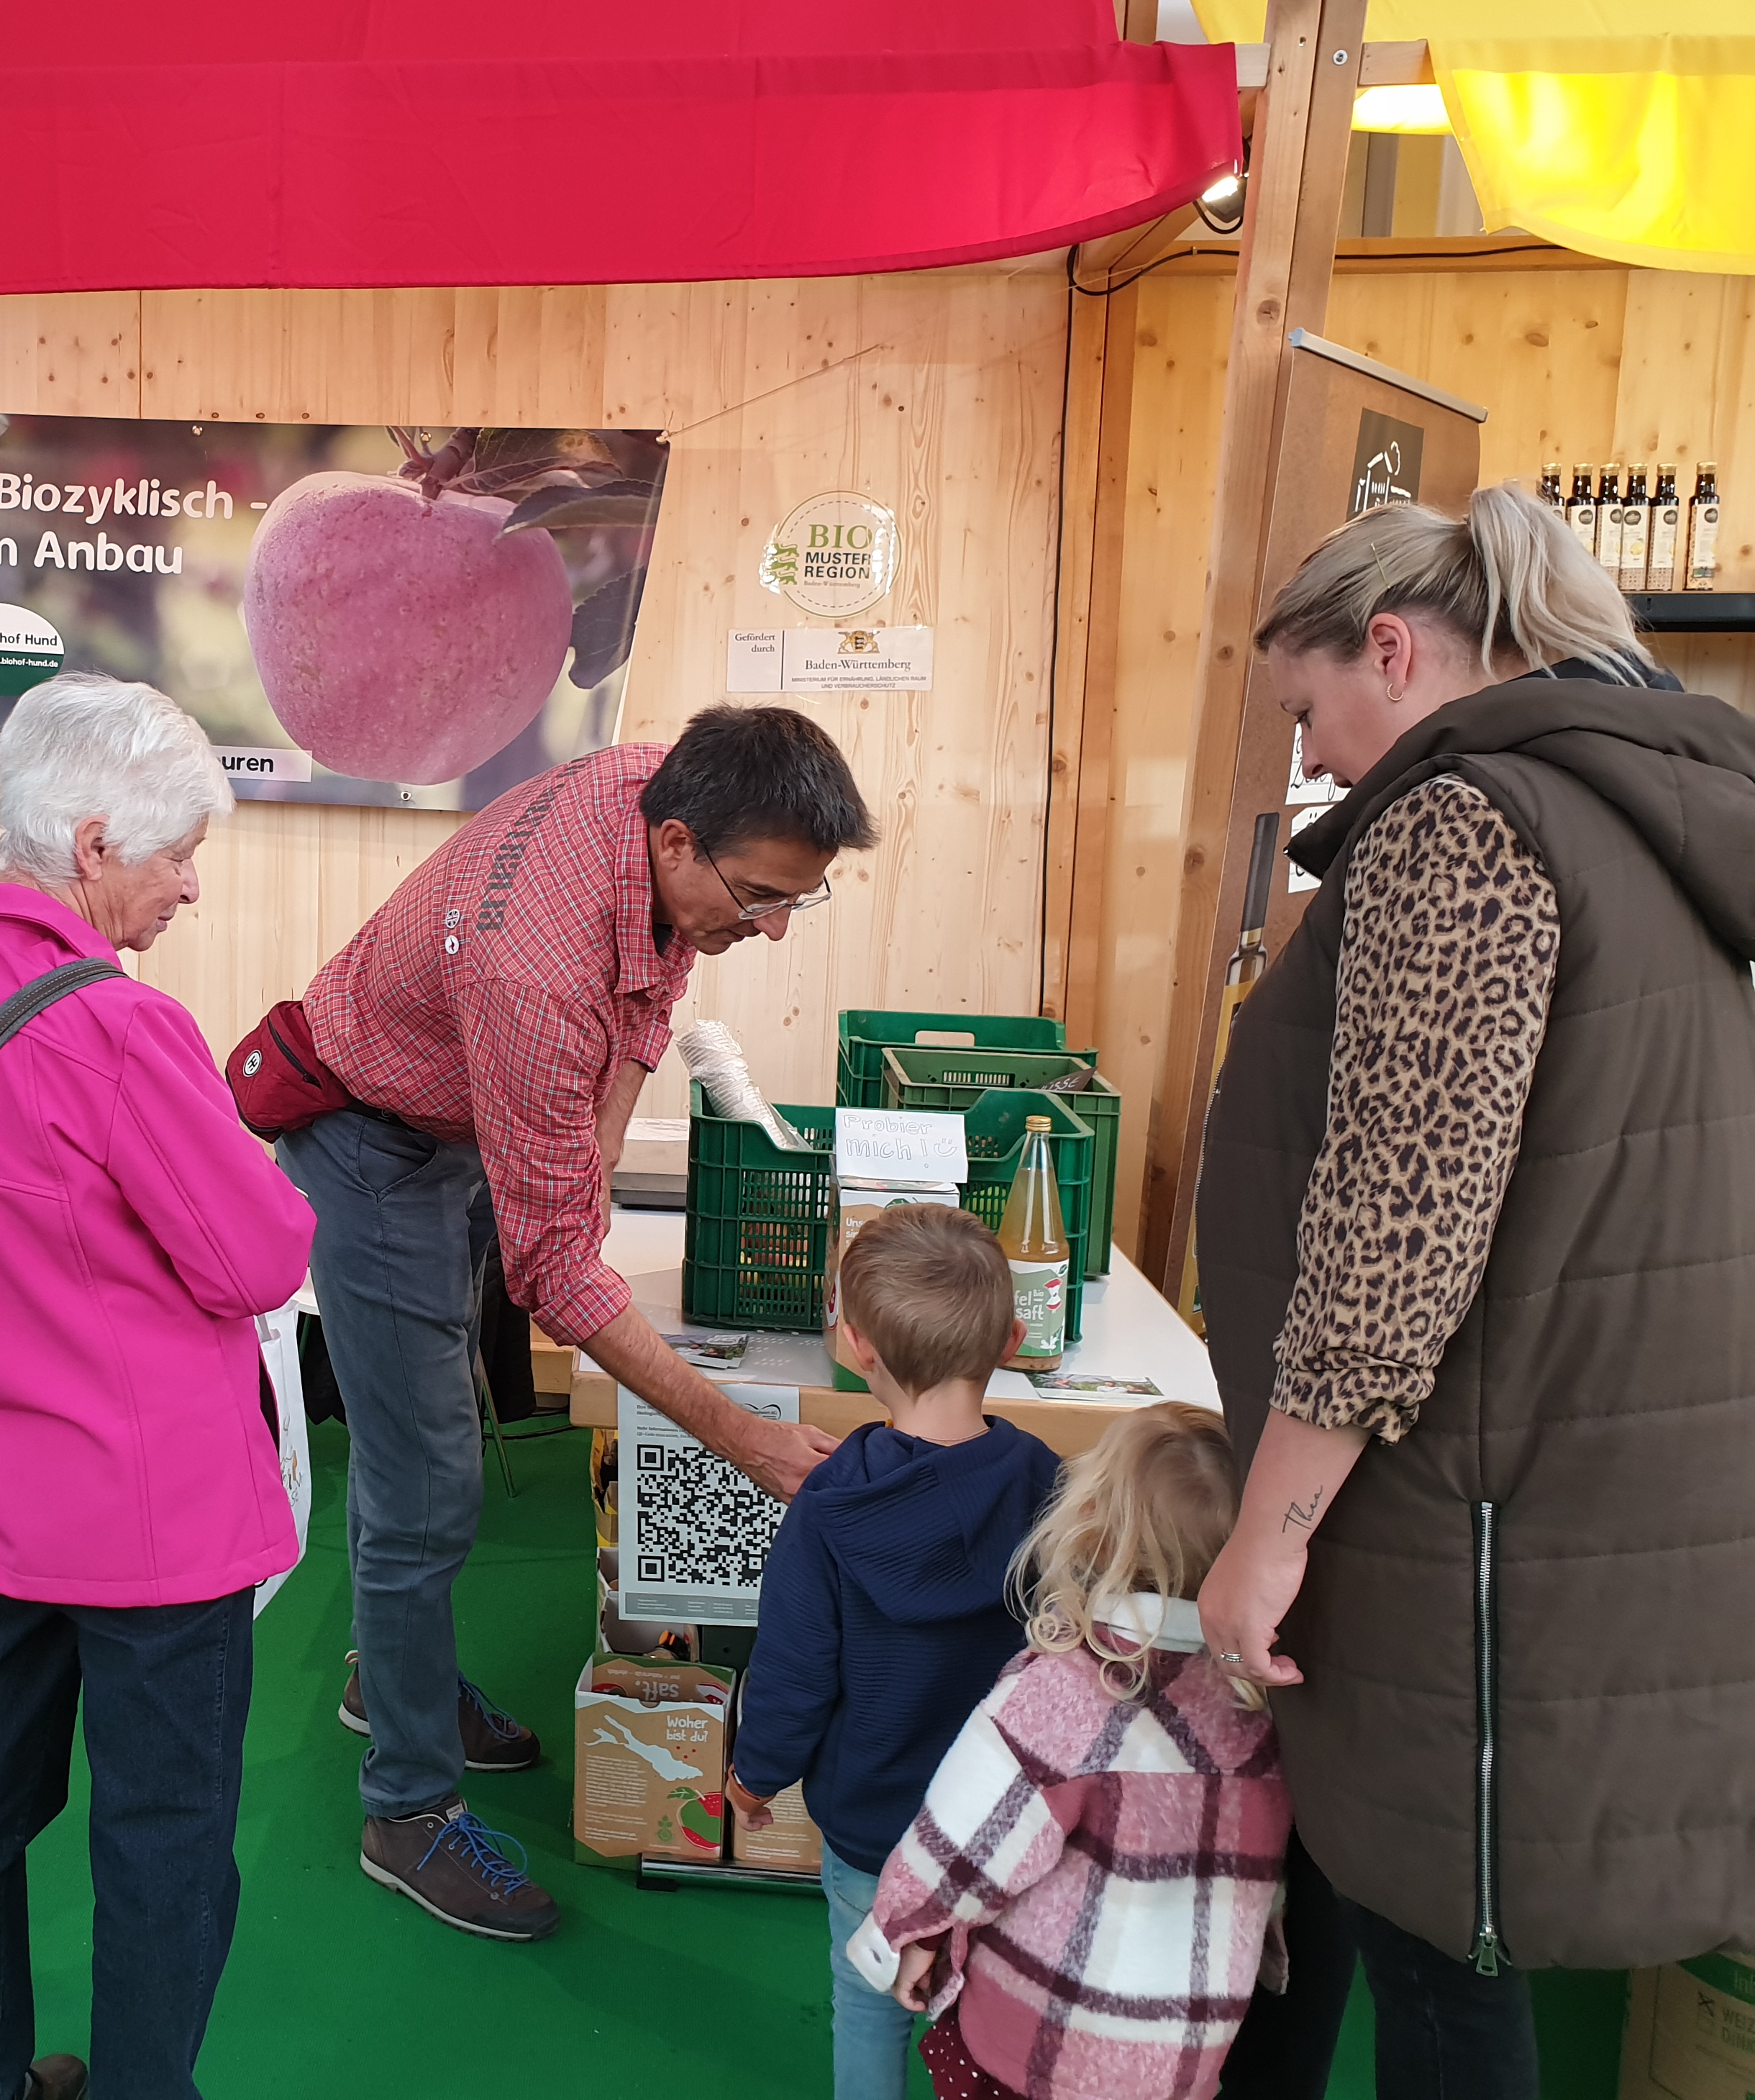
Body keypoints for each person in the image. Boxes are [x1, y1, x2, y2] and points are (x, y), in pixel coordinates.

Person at [1195, 483, 1755, 2096]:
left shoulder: (1467, 822)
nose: (1308, 760)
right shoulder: (1637, 816)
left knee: (1443, 1950)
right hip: (1577, 1475)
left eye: (1309, 709)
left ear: (1393, 646)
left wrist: (1265, 1540)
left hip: (1476, 1508)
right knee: (1398, 1910)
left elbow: (1394, 1233)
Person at [255, 703, 880, 1941]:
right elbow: (553, 1275)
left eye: (793, 903)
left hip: (456, 1113)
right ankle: (405, 1807)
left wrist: (588, 1163)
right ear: (677, 840)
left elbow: (655, 982)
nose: (763, 928)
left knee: (419, 1449)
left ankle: (396, 1680)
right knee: (428, 1474)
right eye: (756, 895)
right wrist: (739, 1438)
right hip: (371, 1147)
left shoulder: (650, 784)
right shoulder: (533, 965)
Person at [0, 674, 317, 2100]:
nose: (190, 889)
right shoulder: (118, 1027)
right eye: (179, 855)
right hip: (152, 1511)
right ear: (96, 842)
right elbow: (259, 1252)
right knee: (165, 1836)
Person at [847, 1404, 1289, 2100]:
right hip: (1182, 2065)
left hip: (1035, 2052)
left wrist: (909, 1930)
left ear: (1088, 1526)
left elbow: (966, 1840)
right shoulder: (1258, 1707)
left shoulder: (1065, 1689)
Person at [724, 1204, 1062, 2100]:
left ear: (854, 1343)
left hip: (875, 1828)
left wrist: (755, 1778)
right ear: (1016, 1337)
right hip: (1011, 1830)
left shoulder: (828, 1511)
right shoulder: (1054, 1487)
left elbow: (794, 1679)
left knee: (868, 1999)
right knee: (996, 2004)